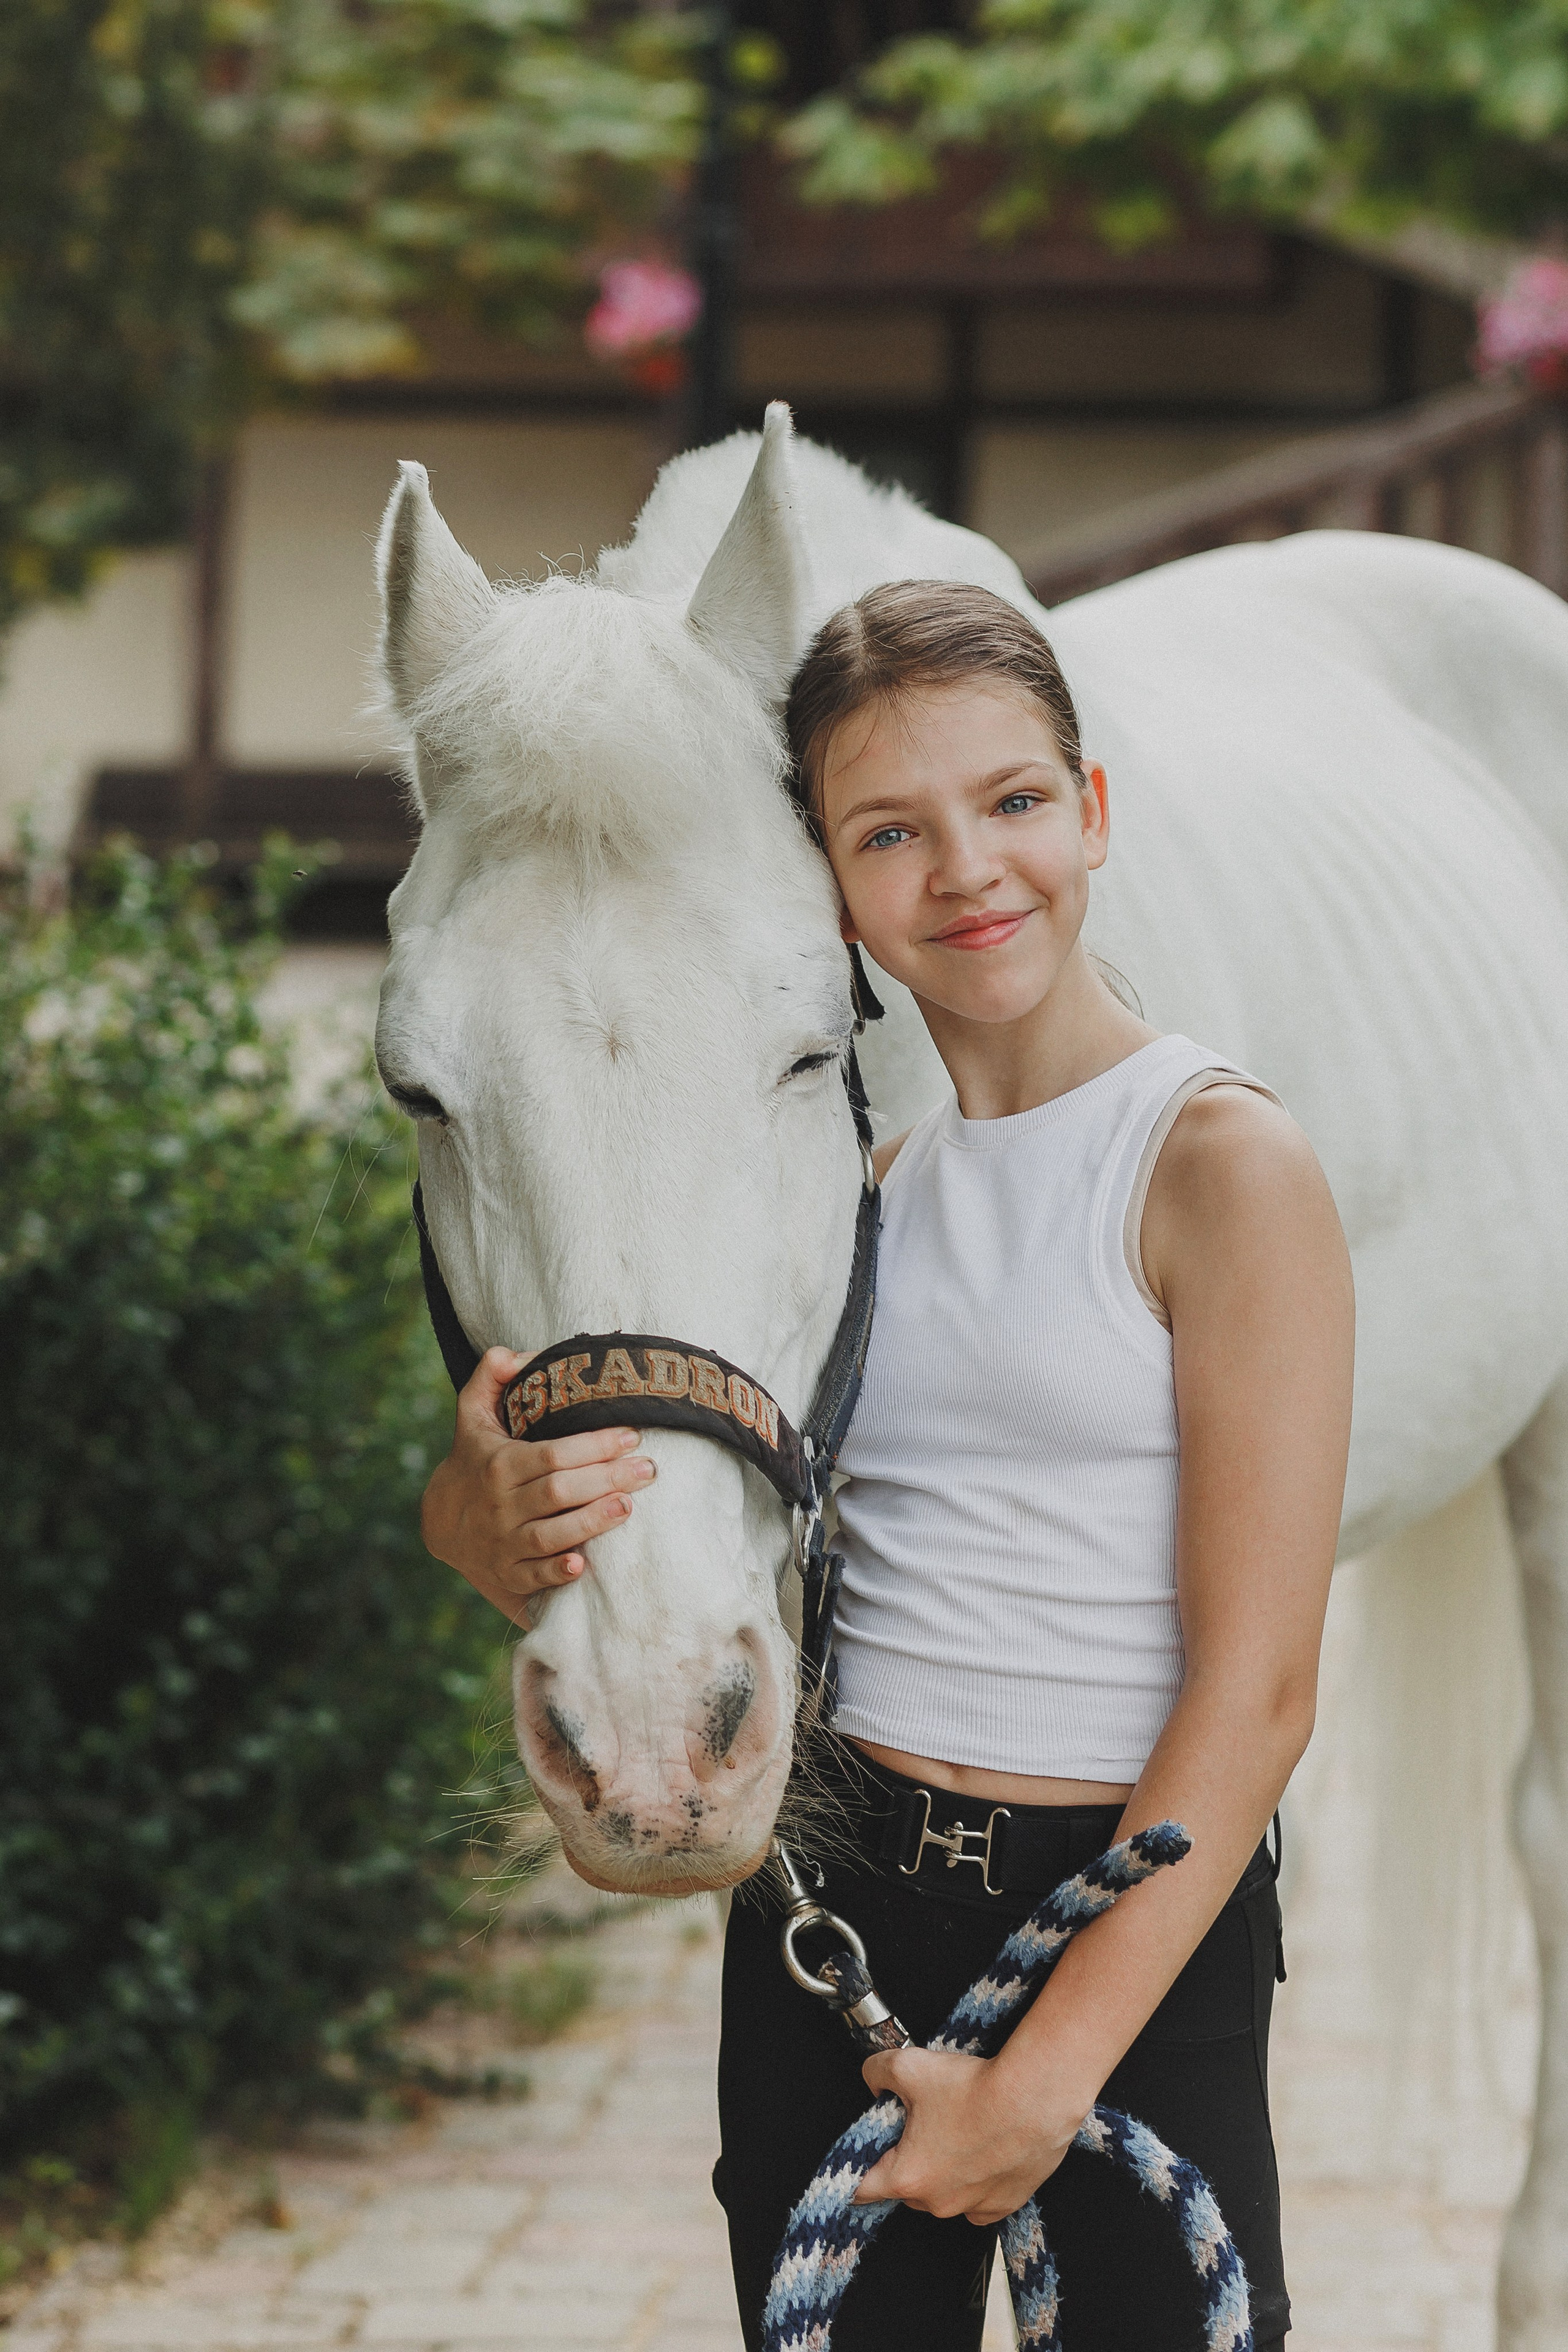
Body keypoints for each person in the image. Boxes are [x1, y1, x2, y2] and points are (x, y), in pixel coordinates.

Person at [420, 581, 1354, 2351]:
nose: (967, 871)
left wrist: (1044, 2078)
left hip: (1126, 1922)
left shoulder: (1219, 1166)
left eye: (1011, 803)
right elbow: (662, 1495)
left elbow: (1265, 1686)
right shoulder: (847, 1211)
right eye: (888, 831)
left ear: (1093, 812)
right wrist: (473, 1516)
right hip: (838, 1919)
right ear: (827, 880)